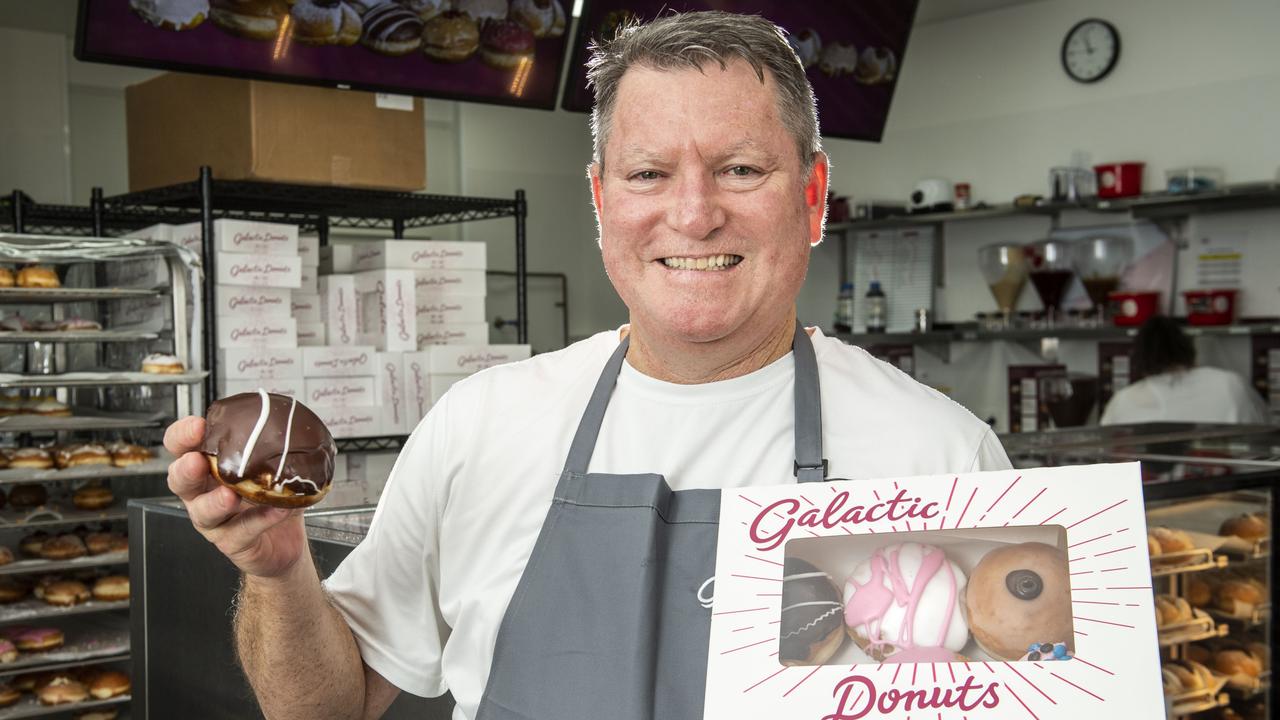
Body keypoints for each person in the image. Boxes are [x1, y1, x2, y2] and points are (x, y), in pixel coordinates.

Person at [163, 11, 1011, 719]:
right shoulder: (482, 425)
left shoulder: (939, 458)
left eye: (741, 170)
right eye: (648, 174)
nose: (693, 213)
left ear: (814, 197)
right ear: (603, 204)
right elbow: (327, 708)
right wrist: (279, 573)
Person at [1101, 315, 1268, 425]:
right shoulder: (1229, 384)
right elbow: (1264, 427)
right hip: (1231, 476)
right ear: (1188, 348)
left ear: (1138, 358)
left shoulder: (1123, 401)